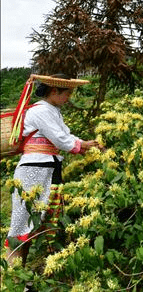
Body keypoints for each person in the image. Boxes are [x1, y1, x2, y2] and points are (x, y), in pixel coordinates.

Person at [4, 73, 101, 266]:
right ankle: (10, 278)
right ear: (54, 91)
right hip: (34, 168)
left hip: (48, 166)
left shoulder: (52, 110)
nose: (69, 98)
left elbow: (65, 134)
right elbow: (60, 139)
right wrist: (83, 146)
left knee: (40, 222)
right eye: (67, 93)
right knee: (22, 224)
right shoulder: (40, 111)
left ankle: (22, 276)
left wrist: (84, 144)